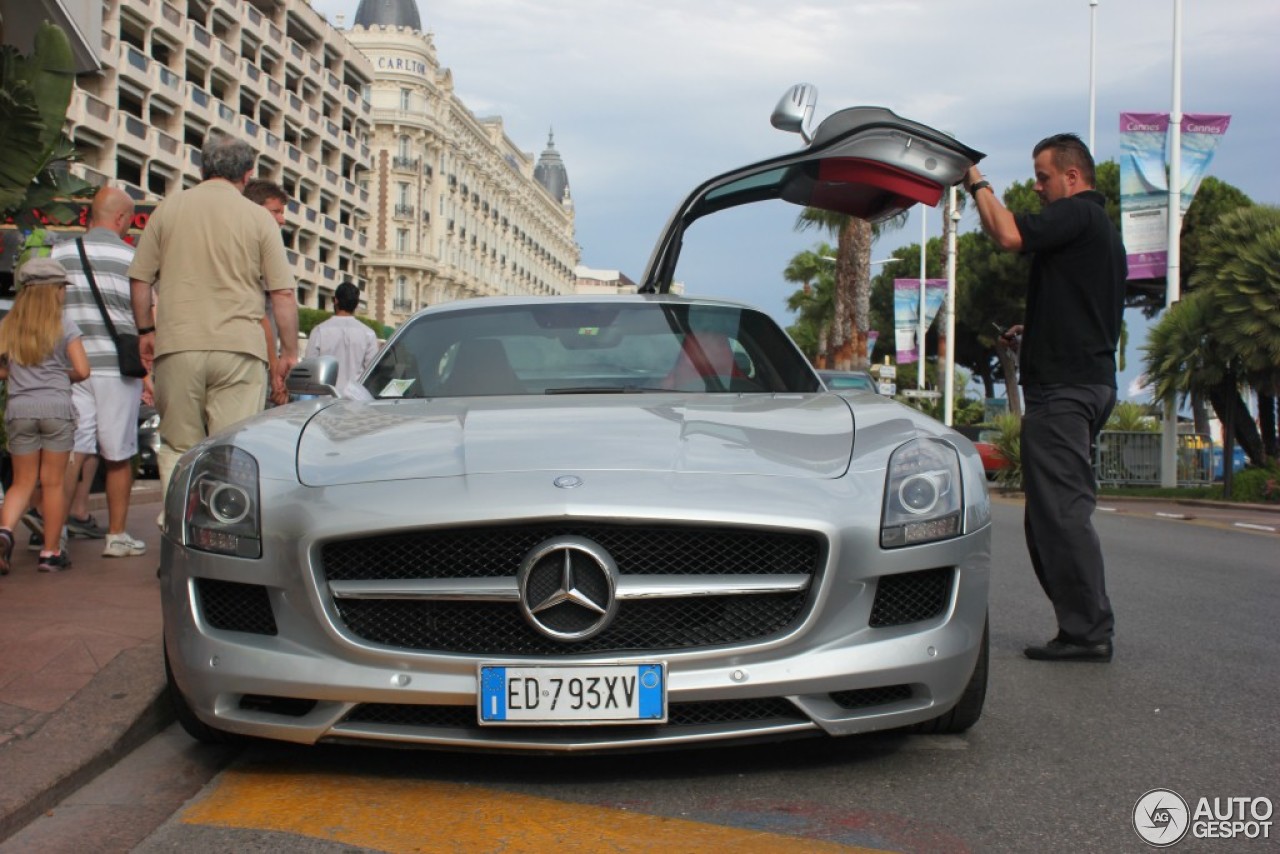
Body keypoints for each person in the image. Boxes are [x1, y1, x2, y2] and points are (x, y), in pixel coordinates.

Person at [964, 132, 1127, 663]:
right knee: (1050, 515)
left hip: (1066, 391)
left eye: (1042, 176)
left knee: (1059, 513)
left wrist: (976, 182)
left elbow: (1008, 234)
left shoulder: (1078, 214)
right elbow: (1083, 311)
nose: (1036, 187)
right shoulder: (1097, 231)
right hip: (1084, 383)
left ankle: (1087, 631)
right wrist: (1030, 332)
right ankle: (1080, 626)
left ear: (1073, 178)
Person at [128, 133, 299, 500]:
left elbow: (141, 279)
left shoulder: (168, 209)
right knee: (232, 449)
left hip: (178, 344)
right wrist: (288, 354)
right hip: (239, 349)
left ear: (203, 167)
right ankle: (224, 533)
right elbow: (282, 293)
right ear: (248, 174)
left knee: (178, 447)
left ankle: (177, 533)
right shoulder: (258, 218)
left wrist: (145, 330)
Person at [51, 186, 149, 558]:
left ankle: (55, 532)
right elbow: (145, 315)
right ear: (123, 219)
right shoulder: (133, 257)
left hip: (71, 366)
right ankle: (117, 535)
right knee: (118, 454)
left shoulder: (61, 253)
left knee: (73, 450)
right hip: (116, 368)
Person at [0, 258, 91, 573]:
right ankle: (50, 553)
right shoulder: (64, 324)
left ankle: (5, 532)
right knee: (52, 483)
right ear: (53, 290)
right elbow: (82, 370)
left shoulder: (9, 325)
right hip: (55, 408)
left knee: (22, 482)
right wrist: (58, 375)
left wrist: (16, 374)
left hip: (19, 408)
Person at [243, 178, 291, 406]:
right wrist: (278, 366)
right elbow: (260, 315)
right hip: (250, 364)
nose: (282, 220)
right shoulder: (256, 252)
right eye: (276, 212)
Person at [305, 281, 379, 393]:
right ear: (356, 304)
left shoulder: (319, 331)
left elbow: (310, 370)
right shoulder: (368, 334)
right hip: (356, 401)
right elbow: (372, 372)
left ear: (335, 300)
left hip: (326, 400)